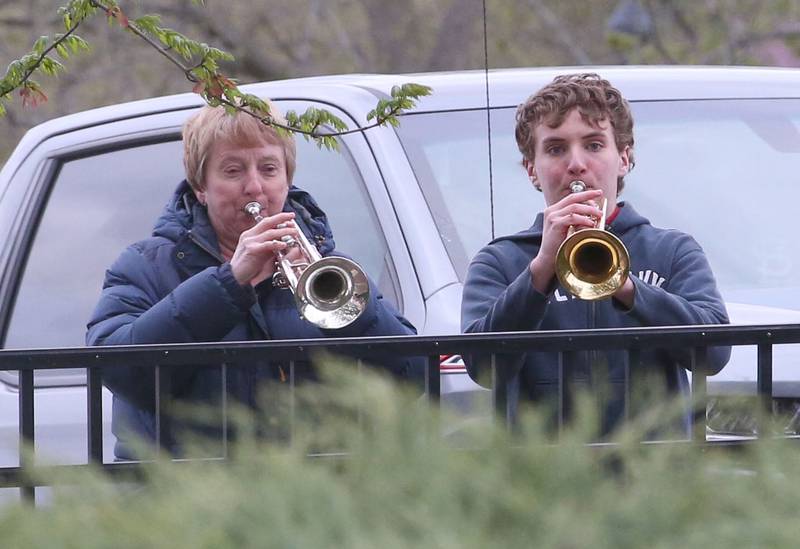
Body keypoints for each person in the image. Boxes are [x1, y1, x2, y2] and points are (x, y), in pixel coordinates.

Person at [87, 101, 422, 459]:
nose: (254, 187)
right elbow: (118, 369)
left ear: (287, 179)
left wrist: (353, 310)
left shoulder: (328, 266)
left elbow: (413, 377)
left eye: (269, 169)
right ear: (201, 187)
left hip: (314, 501)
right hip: (186, 499)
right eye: (233, 171)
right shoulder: (146, 265)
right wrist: (228, 282)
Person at [461, 73, 730, 437]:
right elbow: (483, 367)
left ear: (623, 158)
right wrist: (539, 270)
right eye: (555, 149)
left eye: (593, 145)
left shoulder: (672, 251)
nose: (576, 164)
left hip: (653, 477)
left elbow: (714, 355)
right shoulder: (500, 261)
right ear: (531, 170)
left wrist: (628, 288)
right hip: (540, 479)